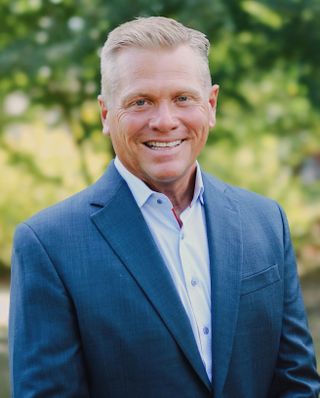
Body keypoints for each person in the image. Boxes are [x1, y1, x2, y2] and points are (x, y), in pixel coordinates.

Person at [9, 16, 320, 398]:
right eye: (141, 102)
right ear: (106, 114)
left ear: (211, 105)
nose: (164, 121)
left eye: (183, 98)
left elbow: (297, 382)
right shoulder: (49, 245)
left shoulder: (266, 221)